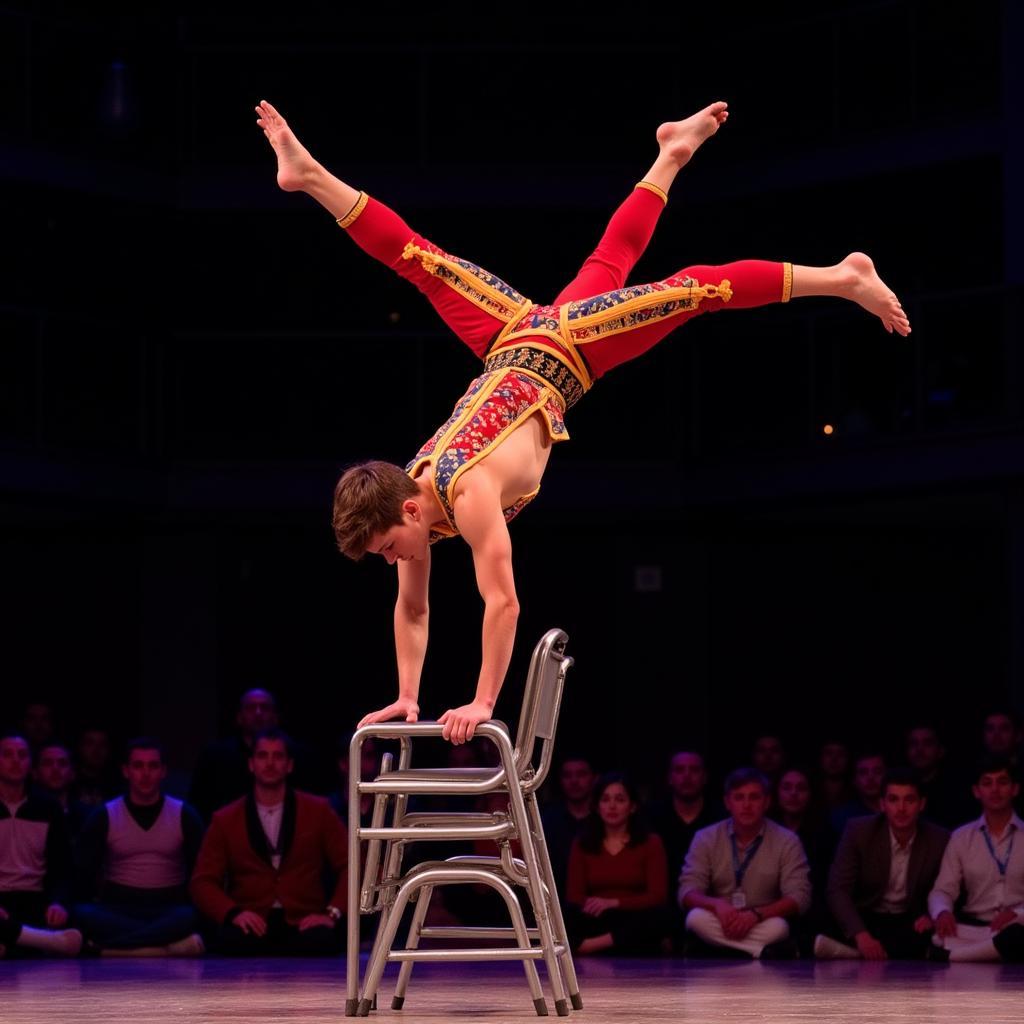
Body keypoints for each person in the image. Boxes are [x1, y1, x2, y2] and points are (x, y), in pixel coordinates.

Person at [254, 98, 911, 744]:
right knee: (569, 262)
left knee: (689, 292)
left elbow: (503, 602)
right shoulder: (415, 499)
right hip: (512, 337)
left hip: (564, 347)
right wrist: (406, 696)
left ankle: (843, 276)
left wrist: (482, 701)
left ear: (404, 516)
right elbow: (414, 609)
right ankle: (670, 154)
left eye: (388, 550)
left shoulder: (468, 493)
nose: (393, 561)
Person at [189, 729, 348, 956]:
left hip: (304, 923)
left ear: (289, 765)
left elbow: (350, 865)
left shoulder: (318, 811)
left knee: (324, 940)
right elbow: (202, 881)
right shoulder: (225, 819)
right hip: (250, 923)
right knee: (228, 940)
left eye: (278, 756)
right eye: (263, 756)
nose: (270, 763)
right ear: (251, 764)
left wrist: (331, 913)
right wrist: (233, 913)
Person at [74, 738, 205, 956]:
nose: (145, 774)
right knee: (82, 914)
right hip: (118, 907)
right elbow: (82, 871)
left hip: (168, 907)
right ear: (126, 771)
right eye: (138, 766)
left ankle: (111, 950)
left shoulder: (184, 814)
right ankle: (161, 949)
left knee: (192, 916)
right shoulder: (105, 814)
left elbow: (201, 872)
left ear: (163, 772)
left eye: (152, 766)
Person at [814, 768, 948, 960]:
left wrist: (930, 915)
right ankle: (867, 950)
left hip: (908, 918)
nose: (901, 808)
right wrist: (861, 936)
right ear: (882, 804)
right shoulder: (858, 831)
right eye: (893, 800)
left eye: (909, 800)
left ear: (922, 804)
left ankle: (851, 954)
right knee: (826, 919)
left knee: (930, 936)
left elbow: (944, 888)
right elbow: (838, 889)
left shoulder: (939, 839)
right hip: (866, 913)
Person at [680, 767, 811, 959]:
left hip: (762, 919)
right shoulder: (705, 837)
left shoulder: (787, 840)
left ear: (767, 802)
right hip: (721, 919)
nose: (747, 805)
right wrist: (717, 905)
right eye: (739, 798)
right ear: (727, 802)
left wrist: (756, 915)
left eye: (754, 797)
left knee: (780, 927)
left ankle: (719, 949)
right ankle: (759, 951)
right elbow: (687, 891)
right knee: (695, 918)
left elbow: (800, 897)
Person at [926, 756, 1024, 962]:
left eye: (1002, 782)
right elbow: (943, 889)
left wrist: (1018, 913)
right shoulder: (962, 837)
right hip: (976, 927)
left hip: (1018, 924)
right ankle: (986, 952)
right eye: (987, 783)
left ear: (1015, 789)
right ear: (976, 791)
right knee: (934, 934)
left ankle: (952, 956)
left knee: (1016, 936)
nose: (995, 790)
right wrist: (943, 912)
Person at [565, 773, 669, 955]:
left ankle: (589, 946)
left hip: (633, 915)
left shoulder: (651, 842)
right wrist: (598, 904)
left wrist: (614, 902)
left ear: (633, 806)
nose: (612, 806)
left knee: (658, 917)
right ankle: (613, 943)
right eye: (605, 800)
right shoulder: (582, 843)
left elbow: (657, 895)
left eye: (620, 800)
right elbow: (574, 896)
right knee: (566, 913)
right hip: (596, 916)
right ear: (597, 807)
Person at [0, 734, 81, 958]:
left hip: (35, 899)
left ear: (30, 766)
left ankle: (10, 945)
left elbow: (63, 867)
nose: (15, 761)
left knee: (81, 917)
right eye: (7, 754)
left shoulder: (48, 808)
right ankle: (46, 942)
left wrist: (59, 903)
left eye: (22, 755)